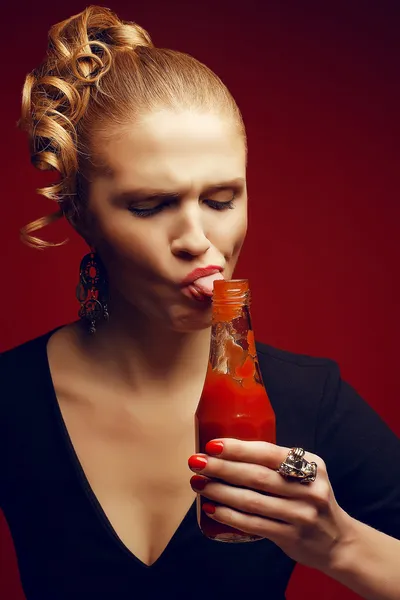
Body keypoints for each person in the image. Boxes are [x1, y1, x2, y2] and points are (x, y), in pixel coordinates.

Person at [1, 6, 399, 600]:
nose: (198, 239)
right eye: (150, 205)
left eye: (221, 199)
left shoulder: (310, 399)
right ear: (82, 213)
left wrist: (340, 544)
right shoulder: (10, 397)